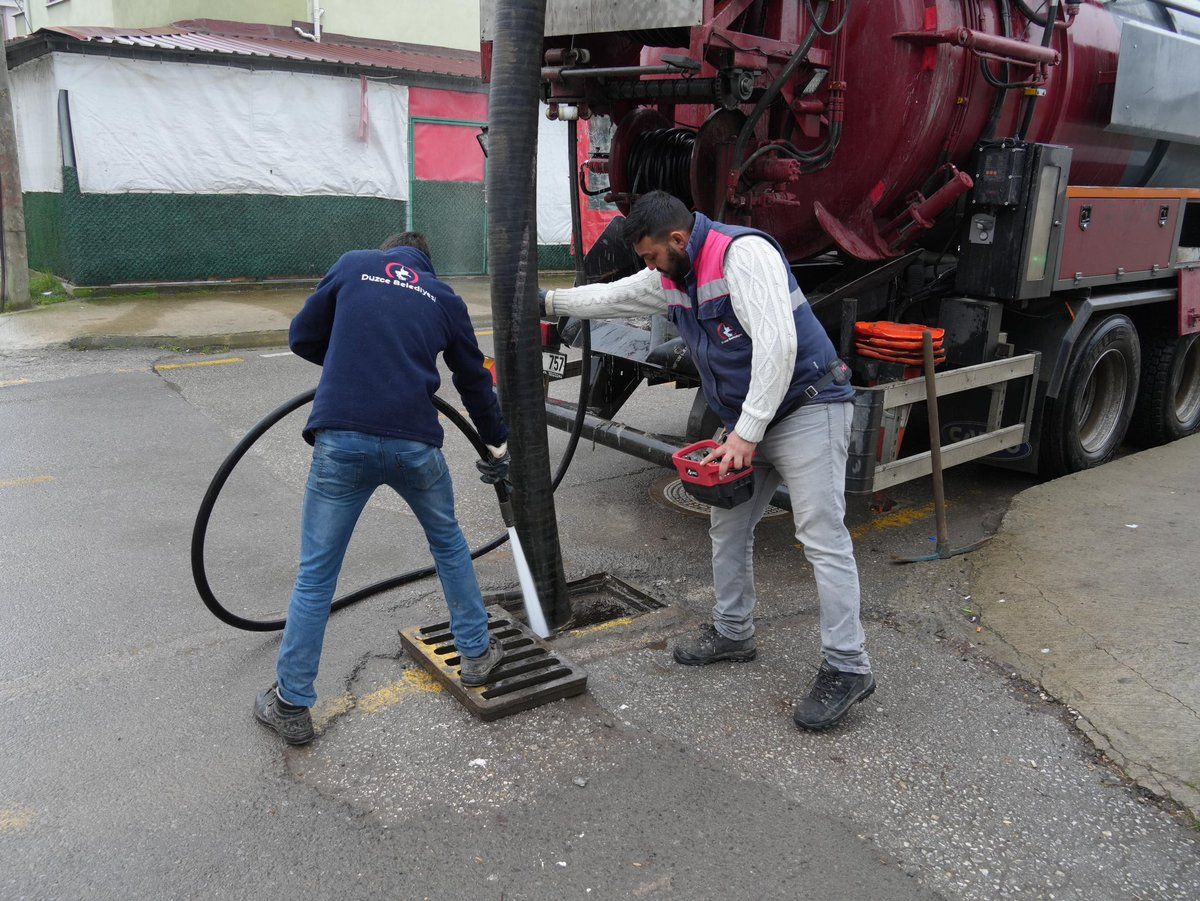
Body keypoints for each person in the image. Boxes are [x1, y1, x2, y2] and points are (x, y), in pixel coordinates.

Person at [543, 191, 874, 730]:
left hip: (808, 406)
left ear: (678, 239)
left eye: (651, 256)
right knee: (728, 527)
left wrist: (744, 433)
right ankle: (733, 632)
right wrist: (549, 302)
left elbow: (777, 346)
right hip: (752, 419)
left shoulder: (744, 256)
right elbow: (616, 297)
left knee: (821, 535)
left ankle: (848, 665)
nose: (649, 268)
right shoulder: (672, 272)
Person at [254, 232, 511, 745]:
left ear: (389, 252)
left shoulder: (353, 264)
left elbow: (302, 336)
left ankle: (291, 704)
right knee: (450, 546)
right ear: (424, 264)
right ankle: (477, 655)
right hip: (415, 445)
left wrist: (356, 365)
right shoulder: (443, 296)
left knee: (316, 576)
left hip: (341, 442)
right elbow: (474, 380)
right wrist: (497, 445)